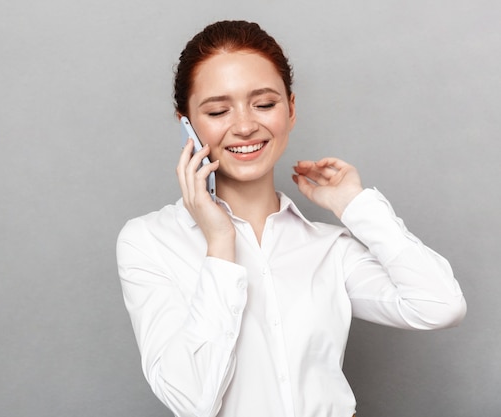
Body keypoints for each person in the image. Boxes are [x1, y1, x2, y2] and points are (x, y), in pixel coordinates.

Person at [116, 20, 466, 417]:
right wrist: (219, 243)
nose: (246, 125)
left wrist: (356, 205)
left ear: (291, 109)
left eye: (264, 104)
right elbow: (192, 400)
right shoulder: (148, 241)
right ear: (187, 124)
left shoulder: (328, 248)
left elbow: (440, 306)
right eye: (217, 110)